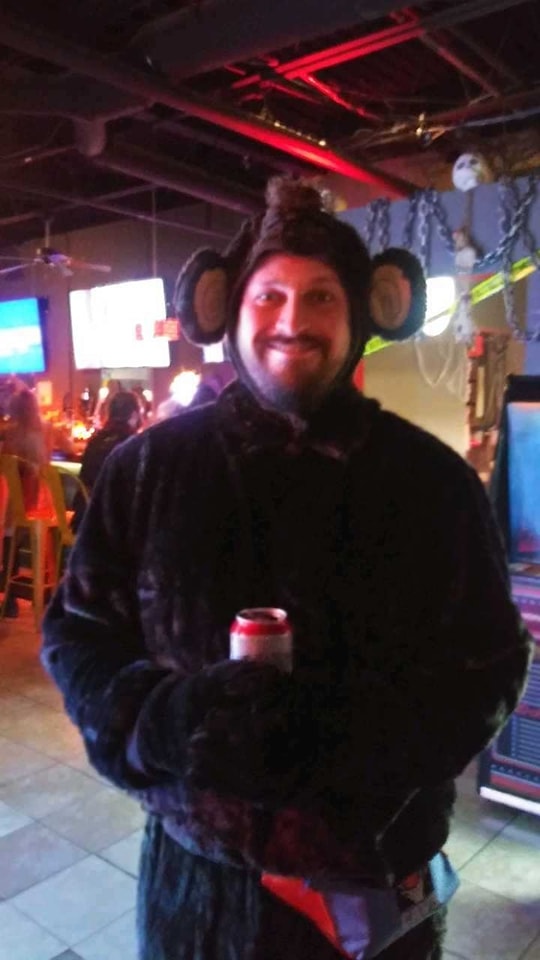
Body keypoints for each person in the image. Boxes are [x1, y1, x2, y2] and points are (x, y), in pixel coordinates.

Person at [41, 178, 533, 960]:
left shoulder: (431, 482)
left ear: (364, 312)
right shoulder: (147, 471)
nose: (293, 321)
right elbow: (79, 634)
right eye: (269, 296)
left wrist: (352, 750)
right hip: (200, 893)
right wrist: (174, 722)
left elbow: (490, 662)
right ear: (228, 311)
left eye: (321, 298)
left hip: (376, 871)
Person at [0, 388, 52, 617]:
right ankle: (47, 591)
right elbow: (68, 450)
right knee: (46, 528)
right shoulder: (46, 429)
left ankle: (9, 596)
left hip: (14, 505)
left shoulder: (9, 433)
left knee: (10, 532)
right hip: (42, 505)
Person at [70, 390, 142, 532]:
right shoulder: (133, 443)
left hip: (84, 520)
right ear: (134, 415)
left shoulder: (95, 441)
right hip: (115, 527)